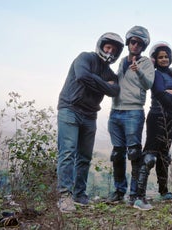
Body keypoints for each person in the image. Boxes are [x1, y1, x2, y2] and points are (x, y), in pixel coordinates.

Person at [57, 32, 124, 213]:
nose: (110, 51)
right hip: (70, 108)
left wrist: (99, 82)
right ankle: (64, 196)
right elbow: (81, 76)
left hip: (90, 115)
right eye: (107, 47)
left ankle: (79, 194)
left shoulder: (111, 72)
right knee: (68, 152)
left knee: (85, 157)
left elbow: (114, 91)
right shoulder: (85, 57)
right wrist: (104, 83)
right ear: (101, 46)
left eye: (114, 50)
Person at [134, 42, 172, 210]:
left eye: (166, 56)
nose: (164, 59)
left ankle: (164, 191)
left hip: (170, 120)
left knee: (164, 155)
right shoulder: (156, 74)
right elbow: (160, 94)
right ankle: (139, 196)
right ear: (156, 60)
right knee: (150, 156)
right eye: (160, 57)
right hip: (157, 117)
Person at [107, 26, 155, 206]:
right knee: (117, 153)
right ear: (128, 43)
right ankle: (119, 191)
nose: (135, 45)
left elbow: (149, 84)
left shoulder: (146, 63)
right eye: (133, 42)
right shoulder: (121, 61)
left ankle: (134, 194)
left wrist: (139, 71)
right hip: (115, 111)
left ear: (143, 46)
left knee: (134, 152)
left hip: (134, 111)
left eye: (139, 43)